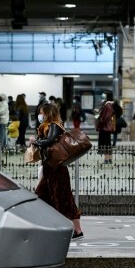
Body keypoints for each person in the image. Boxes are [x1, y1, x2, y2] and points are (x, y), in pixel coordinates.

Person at [32, 102, 83, 239]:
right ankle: (48, 226)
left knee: (63, 199)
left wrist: (36, 142)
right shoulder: (47, 126)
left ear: (48, 113)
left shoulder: (54, 125)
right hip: (49, 167)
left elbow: (50, 140)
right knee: (41, 195)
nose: (40, 115)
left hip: (56, 168)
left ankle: (77, 230)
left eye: (42, 113)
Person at [95, 99, 115, 164]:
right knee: (107, 143)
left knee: (105, 144)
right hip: (105, 127)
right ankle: (109, 159)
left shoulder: (108, 105)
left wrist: (99, 117)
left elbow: (105, 117)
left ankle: (107, 159)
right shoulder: (109, 105)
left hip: (105, 128)